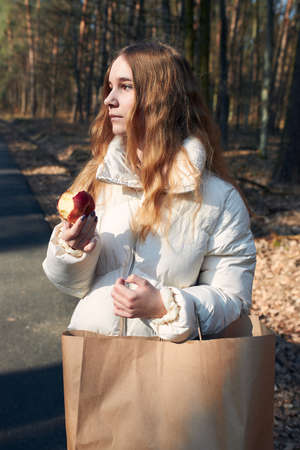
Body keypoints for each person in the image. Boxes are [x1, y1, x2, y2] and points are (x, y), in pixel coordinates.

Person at [43, 41, 256, 342]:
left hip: (169, 373)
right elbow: (72, 285)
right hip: (93, 359)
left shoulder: (219, 200)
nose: (108, 100)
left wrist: (163, 307)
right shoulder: (99, 179)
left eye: (125, 87)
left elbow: (232, 299)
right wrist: (72, 251)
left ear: (162, 98)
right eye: (109, 87)